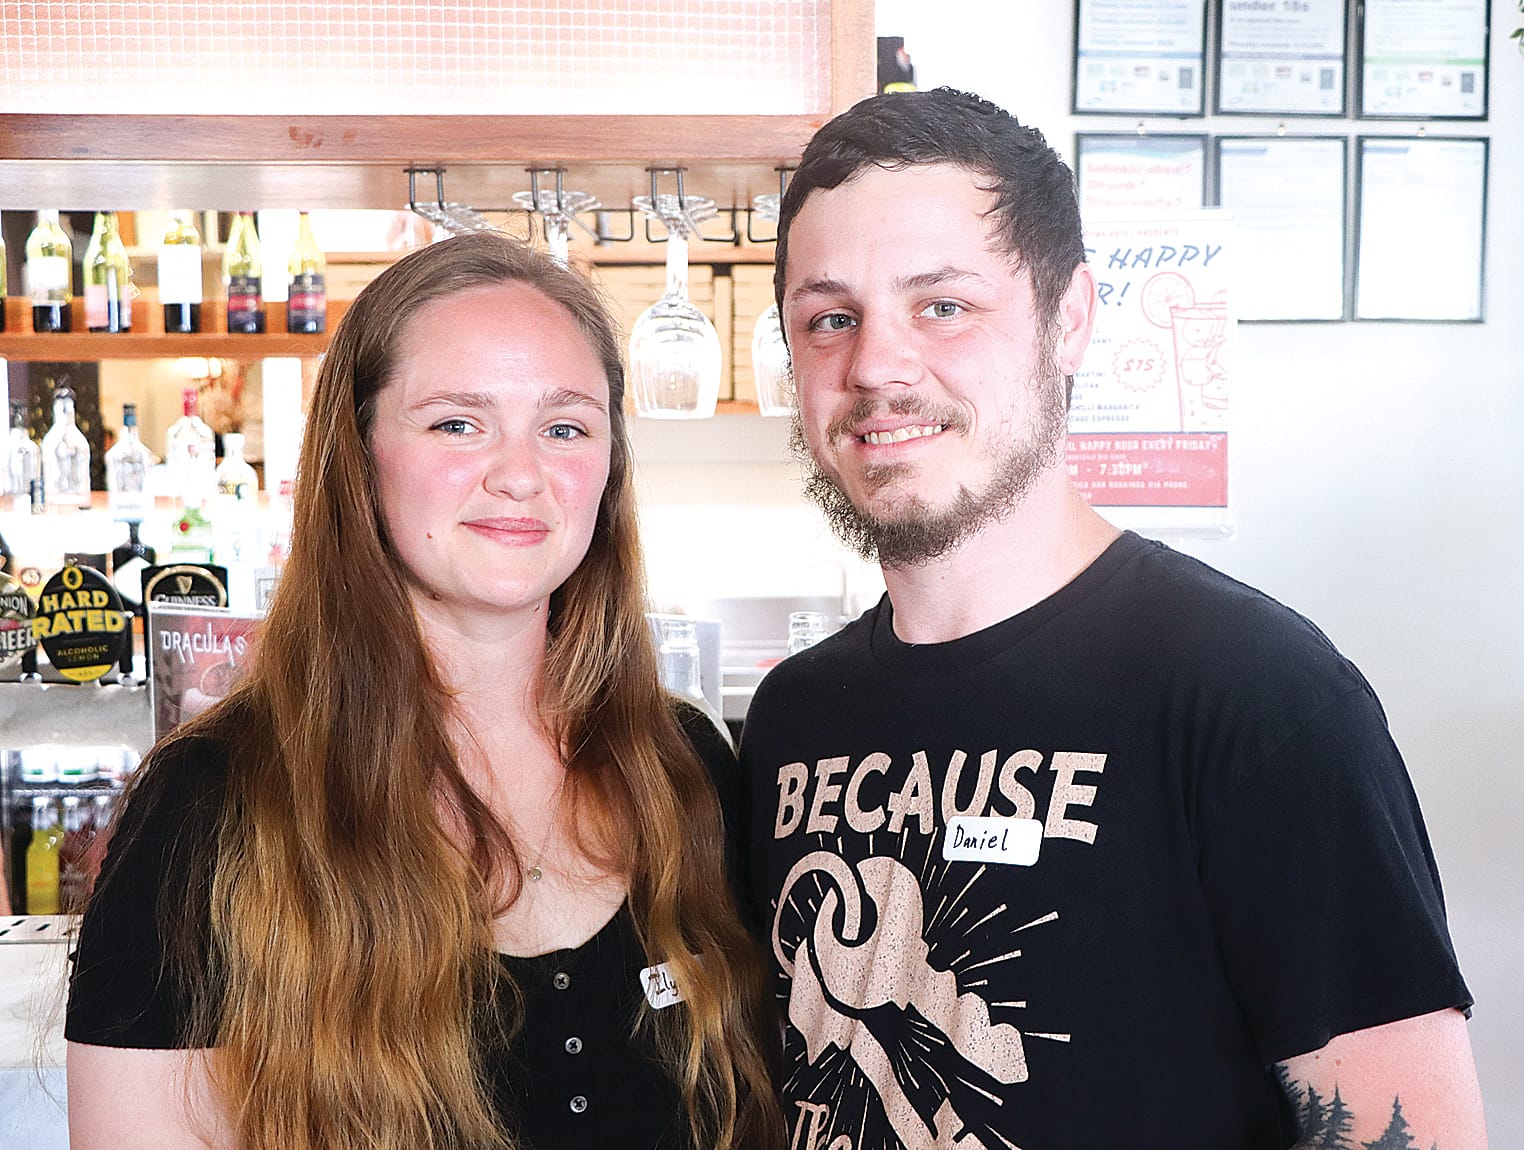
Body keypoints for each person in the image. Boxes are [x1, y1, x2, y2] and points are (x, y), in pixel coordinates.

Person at [741, 88, 1487, 1150]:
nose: (875, 366)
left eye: (942, 306)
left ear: (1070, 319)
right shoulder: (791, 719)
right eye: (829, 319)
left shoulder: (1260, 696)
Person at [66, 232, 783, 1150]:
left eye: (565, 427)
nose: (519, 474)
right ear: (359, 455)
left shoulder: (686, 765)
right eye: (456, 423)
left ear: (609, 468)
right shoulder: (213, 801)